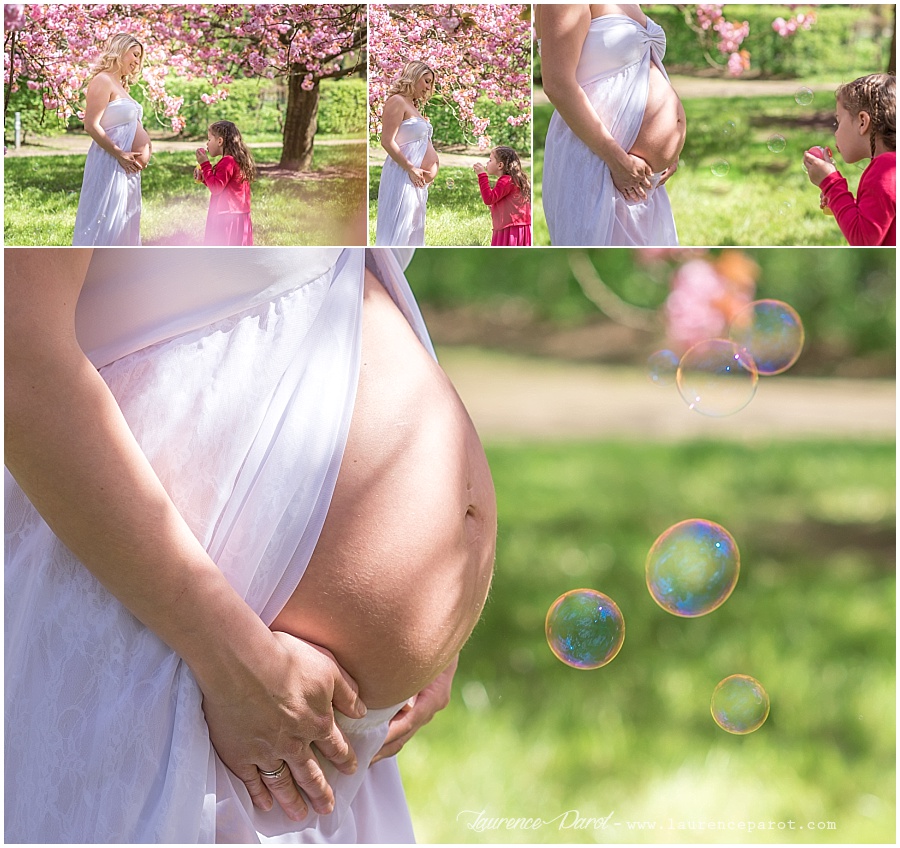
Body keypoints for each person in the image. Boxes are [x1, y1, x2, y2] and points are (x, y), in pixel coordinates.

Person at [5, 247, 496, 842]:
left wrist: (439, 621)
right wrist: (233, 660)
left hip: (307, 721)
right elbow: (18, 355)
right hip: (189, 665)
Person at [537, 4, 683, 246]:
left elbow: (640, 68)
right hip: (600, 161)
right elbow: (557, 84)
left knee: (644, 273)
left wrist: (670, 147)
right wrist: (617, 160)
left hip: (638, 176)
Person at [73, 33, 152, 246]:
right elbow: (91, 125)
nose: (137, 61)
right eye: (135, 55)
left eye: (140, 58)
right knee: (104, 219)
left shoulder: (122, 86)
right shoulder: (102, 80)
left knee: (125, 220)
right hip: (111, 160)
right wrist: (119, 152)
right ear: (120, 50)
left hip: (127, 167)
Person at [803, 73, 896, 246]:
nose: (836, 132)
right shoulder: (892, 167)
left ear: (862, 122)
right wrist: (841, 201)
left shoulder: (885, 169)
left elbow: (863, 240)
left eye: (838, 122)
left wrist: (831, 183)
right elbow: (875, 223)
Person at [375, 61, 440, 246]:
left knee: (412, 229)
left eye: (430, 83)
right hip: (403, 174)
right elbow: (387, 141)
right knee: (400, 228)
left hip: (416, 178)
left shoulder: (413, 105)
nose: (429, 87)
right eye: (426, 81)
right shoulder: (397, 101)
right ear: (414, 76)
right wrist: (411, 168)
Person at [195, 120, 256, 246]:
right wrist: (204, 178)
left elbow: (216, 188)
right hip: (239, 217)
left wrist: (205, 164)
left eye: (209, 139)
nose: (207, 144)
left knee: (222, 252)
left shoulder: (227, 161)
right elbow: (221, 185)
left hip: (227, 218)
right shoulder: (236, 160)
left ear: (219, 141)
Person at [473, 146, 532, 246]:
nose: (487, 162)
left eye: (490, 160)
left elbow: (488, 199)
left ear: (500, 165)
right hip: (520, 228)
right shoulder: (513, 179)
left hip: (510, 230)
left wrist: (482, 175)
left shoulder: (506, 181)